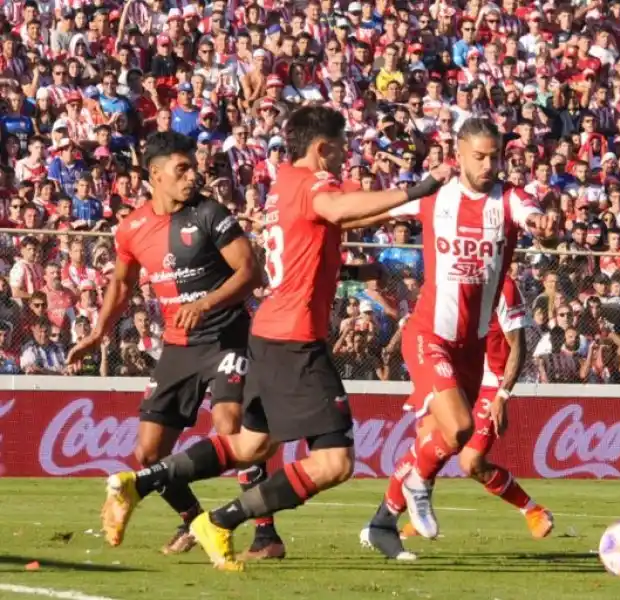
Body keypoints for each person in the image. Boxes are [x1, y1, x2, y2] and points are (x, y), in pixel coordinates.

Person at [96, 106, 450, 571]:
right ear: (322, 151)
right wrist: (422, 186)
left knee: (248, 446)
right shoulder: (313, 186)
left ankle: (138, 484)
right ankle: (220, 521)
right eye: (341, 151)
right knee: (334, 462)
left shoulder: (284, 183)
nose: (345, 160)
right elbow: (338, 208)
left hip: (264, 334)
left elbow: (318, 234)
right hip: (294, 342)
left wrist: (349, 267)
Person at [66, 131, 284, 560]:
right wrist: (97, 333)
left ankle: (265, 535)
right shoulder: (132, 229)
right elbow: (122, 285)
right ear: (155, 175)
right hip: (178, 346)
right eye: (181, 169)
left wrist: (204, 303)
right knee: (147, 452)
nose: (192, 176)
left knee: (229, 425)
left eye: (193, 167)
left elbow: (250, 272)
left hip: (226, 336)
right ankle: (192, 519)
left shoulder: (209, 214)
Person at [350, 118, 555, 559]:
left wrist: (542, 222)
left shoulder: (508, 200)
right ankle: (419, 485)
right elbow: (380, 210)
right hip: (429, 334)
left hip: (472, 347)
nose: (488, 165)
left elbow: (531, 213)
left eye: (495, 156)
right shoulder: (436, 195)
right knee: (459, 428)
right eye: (479, 156)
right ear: (458, 154)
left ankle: (383, 521)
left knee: (442, 438)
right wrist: (334, 221)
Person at [370, 275, 554, 552]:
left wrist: (503, 395)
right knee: (426, 440)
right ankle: (384, 522)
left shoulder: (503, 286)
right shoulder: (451, 275)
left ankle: (532, 510)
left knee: (471, 462)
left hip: (491, 380)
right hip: (455, 372)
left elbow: (519, 345)